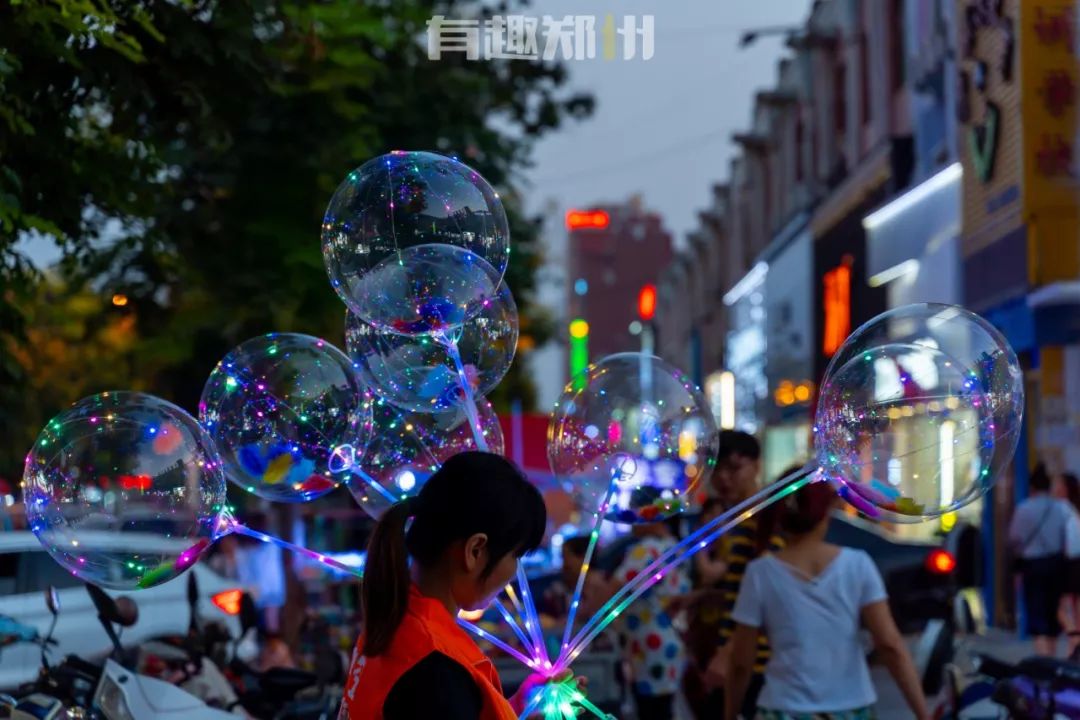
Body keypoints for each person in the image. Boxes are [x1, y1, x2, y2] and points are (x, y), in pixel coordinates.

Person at [340, 451, 577, 720]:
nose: (514, 573)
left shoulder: (397, 624)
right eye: (516, 556)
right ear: (475, 550)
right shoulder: (437, 671)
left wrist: (519, 707)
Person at [725, 479, 930, 720]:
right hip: (850, 709)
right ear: (825, 514)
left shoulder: (760, 573)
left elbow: (741, 661)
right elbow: (889, 645)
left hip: (783, 709)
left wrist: (730, 714)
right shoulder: (857, 564)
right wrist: (922, 714)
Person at [695, 432, 783, 719]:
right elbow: (745, 590)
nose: (723, 478)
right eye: (715, 469)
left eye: (733, 468)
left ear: (756, 466)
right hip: (742, 660)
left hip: (755, 665)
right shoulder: (741, 521)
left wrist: (727, 654)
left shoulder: (764, 521)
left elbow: (769, 599)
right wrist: (701, 597)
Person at [605, 509, 690, 720]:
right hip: (670, 645)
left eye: (635, 514)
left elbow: (614, 588)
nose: (631, 521)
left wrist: (587, 614)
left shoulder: (646, 549)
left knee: (652, 713)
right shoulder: (675, 546)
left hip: (648, 650)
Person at [1009, 462, 1077, 656]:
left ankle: (1043, 659)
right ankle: (1052, 657)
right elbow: (1068, 536)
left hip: (1033, 568)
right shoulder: (1060, 509)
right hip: (1056, 565)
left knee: (1037, 616)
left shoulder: (1024, 509)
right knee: (1052, 614)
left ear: (1032, 487)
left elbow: (1014, 538)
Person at [1053, 472, 1080, 655]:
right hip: (1076, 561)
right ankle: (1074, 647)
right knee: (1076, 608)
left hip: (1066, 561)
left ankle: (1075, 639)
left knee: (1060, 607)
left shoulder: (1060, 508)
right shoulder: (1075, 508)